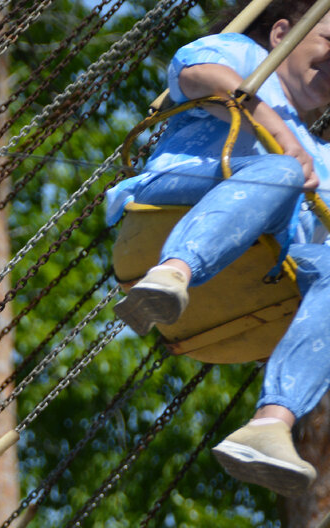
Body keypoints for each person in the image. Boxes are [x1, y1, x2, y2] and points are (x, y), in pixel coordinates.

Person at [107, 2, 330, 496]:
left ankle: (271, 423)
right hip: (180, 204)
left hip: (263, 260)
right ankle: (173, 273)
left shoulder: (324, 156)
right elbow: (197, 73)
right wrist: (275, 129)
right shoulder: (249, 61)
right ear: (281, 34)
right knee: (284, 172)